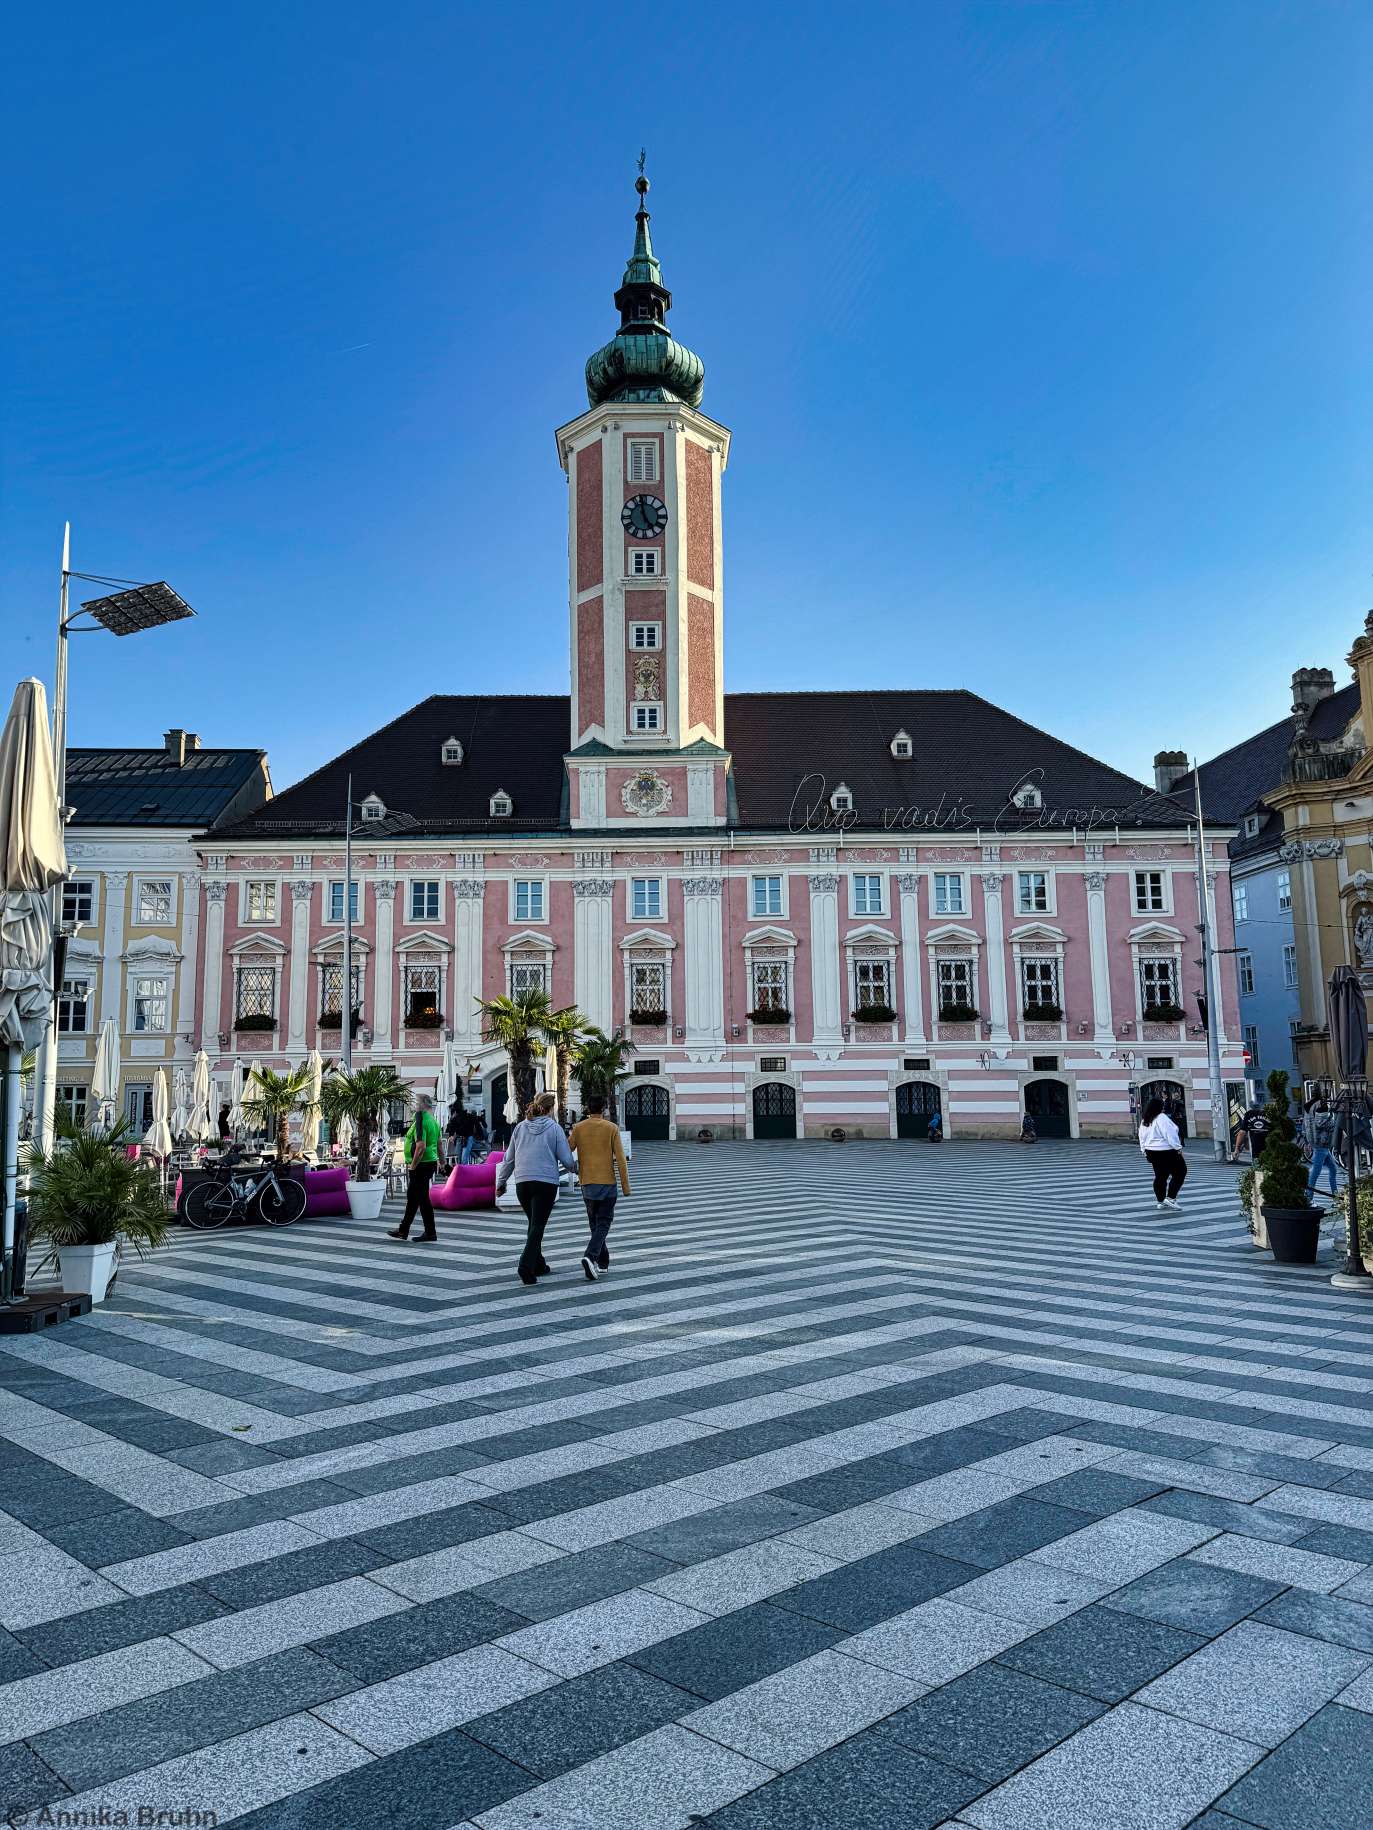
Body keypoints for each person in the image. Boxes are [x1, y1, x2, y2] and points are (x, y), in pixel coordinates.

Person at [495, 1091, 576, 1284]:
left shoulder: (520, 1128)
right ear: (550, 1109)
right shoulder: (554, 1129)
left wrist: (501, 1182)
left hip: (523, 1183)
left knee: (533, 1224)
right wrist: (578, 1169)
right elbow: (566, 1159)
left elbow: (509, 1159)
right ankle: (525, 1266)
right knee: (537, 1226)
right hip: (545, 1183)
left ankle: (539, 1264)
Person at [569, 1095, 631, 1280]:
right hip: (607, 1183)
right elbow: (621, 1159)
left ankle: (603, 1262)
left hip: (587, 1183)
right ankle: (590, 1256)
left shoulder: (578, 1128)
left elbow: (566, 1150)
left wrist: (573, 1168)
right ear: (603, 1109)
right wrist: (626, 1187)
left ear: (588, 1109)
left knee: (595, 1224)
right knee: (604, 1222)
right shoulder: (611, 1128)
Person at [387, 1092, 444, 1243]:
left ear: (423, 1104)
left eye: (415, 1102)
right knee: (417, 1198)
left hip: (421, 1165)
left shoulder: (421, 1120)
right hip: (429, 1163)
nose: (412, 1104)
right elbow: (439, 1144)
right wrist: (443, 1162)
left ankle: (416, 1231)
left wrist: (412, 1166)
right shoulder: (433, 1121)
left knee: (418, 1198)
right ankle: (409, 1230)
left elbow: (421, 1146)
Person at [1139, 1095, 1187, 1209]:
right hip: (1166, 1150)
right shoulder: (1161, 1118)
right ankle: (1170, 1198)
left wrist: (1143, 1150)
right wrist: (1178, 1148)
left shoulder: (1146, 1119)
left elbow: (1141, 1136)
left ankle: (1160, 1201)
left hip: (1151, 1151)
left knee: (1160, 1176)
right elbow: (1170, 1134)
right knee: (1181, 1172)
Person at [1306, 1097, 1339, 1198]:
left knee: (1333, 1169)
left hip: (1323, 1147)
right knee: (1315, 1172)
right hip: (1321, 1146)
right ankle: (1308, 1197)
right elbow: (1330, 1125)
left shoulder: (1312, 1113)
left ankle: (1335, 1195)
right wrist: (1332, 1117)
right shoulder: (1323, 1116)